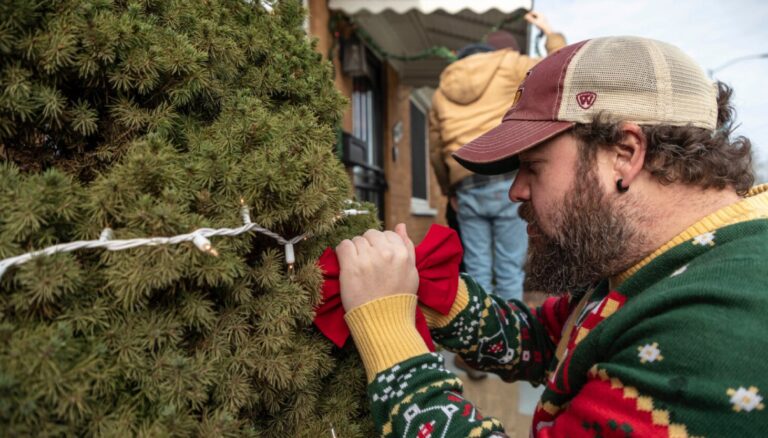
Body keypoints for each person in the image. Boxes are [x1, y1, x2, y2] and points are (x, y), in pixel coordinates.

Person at [336, 36, 768, 437]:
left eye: (534, 165)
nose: (515, 190)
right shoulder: (651, 256)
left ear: (625, 154)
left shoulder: (719, 325)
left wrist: (389, 332)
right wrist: (443, 297)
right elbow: (546, 341)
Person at [429, 12, 566, 302]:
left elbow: (434, 146)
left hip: (465, 183)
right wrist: (549, 32)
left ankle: (478, 338)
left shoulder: (442, 91)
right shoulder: (507, 64)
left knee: (477, 268)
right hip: (504, 175)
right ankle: (511, 339)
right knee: (509, 268)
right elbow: (562, 68)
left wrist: (448, 190)